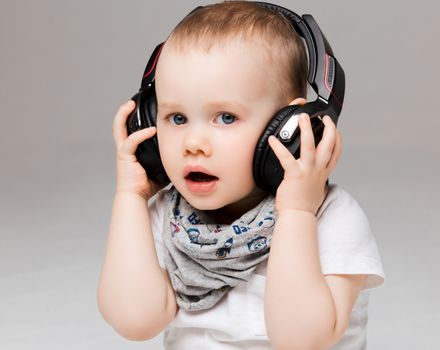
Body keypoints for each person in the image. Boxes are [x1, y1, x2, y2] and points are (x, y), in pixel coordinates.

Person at [97, 1, 385, 349]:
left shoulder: (332, 220)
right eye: (176, 118)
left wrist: (296, 212)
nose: (193, 143)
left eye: (226, 117)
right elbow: (135, 320)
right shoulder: (166, 218)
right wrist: (130, 195)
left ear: (291, 130)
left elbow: (301, 339)